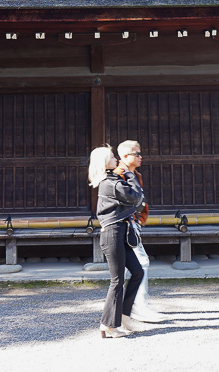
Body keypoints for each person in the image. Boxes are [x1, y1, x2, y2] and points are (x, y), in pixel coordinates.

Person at [88, 145, 144, 338]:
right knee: (117, 280)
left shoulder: (112, 179)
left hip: (121, 232)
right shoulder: (109, 183)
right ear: (105, 162)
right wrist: (129, 174)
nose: (116, 159)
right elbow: (135, 197)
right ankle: (108, 325)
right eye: (112, 157)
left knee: (137, 272)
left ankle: (123, 316)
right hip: (112, 233)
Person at [116, 140, 167, 323]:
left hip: (132, 224)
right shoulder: (119, 175)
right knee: (141, 263)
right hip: (124, 225)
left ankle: (129, 307)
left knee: (132, 267)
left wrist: (140, 218)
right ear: (125, 156)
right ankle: (139, 307)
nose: (140, 157)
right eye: (136, 153)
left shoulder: (134, 174)